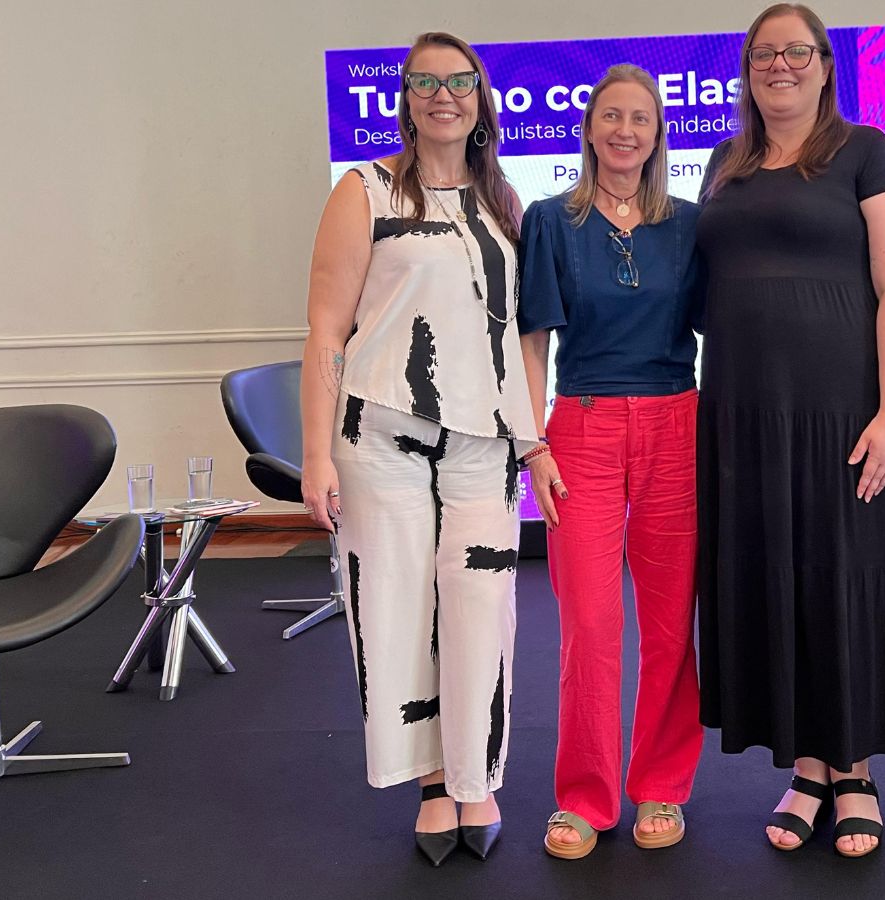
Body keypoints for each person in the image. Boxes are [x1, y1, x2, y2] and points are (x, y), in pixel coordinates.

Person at [298, 31, 538, 867]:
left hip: (484, 449)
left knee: (482, 615)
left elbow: (518, 340)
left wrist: (532, 440)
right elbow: (327, 329)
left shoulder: (503, 204)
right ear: (404, 98)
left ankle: (478, 776)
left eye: (460, 81)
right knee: (399, 614)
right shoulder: (364, 190)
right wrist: (316, 454)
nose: (444, 94)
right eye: (426, 82)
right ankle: (434, 782)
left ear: (481, 99)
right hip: (381, 441)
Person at [695, 2, 885, 859]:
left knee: (844, 571)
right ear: (747, 69)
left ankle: (853, 768)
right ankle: (806, 767)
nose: (779, 66)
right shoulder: (725, 159)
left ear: (826, 65)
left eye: (796, 52)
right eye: (763, 54)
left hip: (842, 409)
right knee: (774, 576)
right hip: (742, 411)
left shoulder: (864, 151)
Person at [516, 63, 704, 861]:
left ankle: (660, 783)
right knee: (588, 624)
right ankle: (584, 797)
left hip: (677, 425)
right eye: (612, 116)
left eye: (642, 119)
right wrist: (532, 443)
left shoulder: (690, 224)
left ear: (658, 135)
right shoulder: (550, 220)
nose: (627, 130)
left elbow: (727, 330)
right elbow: (533, 340)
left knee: (668, 626)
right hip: (582, 428)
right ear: (589, 128)